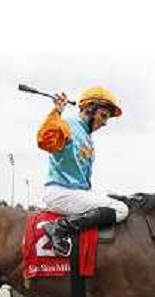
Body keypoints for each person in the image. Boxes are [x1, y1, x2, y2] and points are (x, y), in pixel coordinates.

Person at [36, 87, 129, 256]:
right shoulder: (68, 125)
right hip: (62, 193)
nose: (105, 122)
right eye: (103, 115)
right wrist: (57, 111)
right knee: (121, 209)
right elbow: (44, 140)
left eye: (107, 118)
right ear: (90, 109)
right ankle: (58, 228)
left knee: (116, 201)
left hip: (76, 193)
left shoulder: (86, 136)